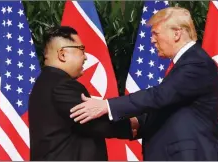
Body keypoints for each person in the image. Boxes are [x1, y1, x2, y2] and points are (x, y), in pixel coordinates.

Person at [70, 7, 218, 161]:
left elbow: (159, 96)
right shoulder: (187, 63)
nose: (152, 40)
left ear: (177, 33)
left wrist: (106, 105)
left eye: (155, 33)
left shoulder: (196, 63)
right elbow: (168, 107)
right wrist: (136, 122)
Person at [28, 26, 137, 161]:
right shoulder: (61, 85)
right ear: (62, 54)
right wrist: (138, 124)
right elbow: (95, 123)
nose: (85, 57)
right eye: (81, 50)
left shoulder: (45, 82)